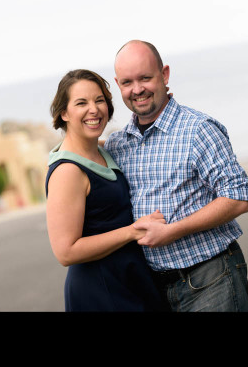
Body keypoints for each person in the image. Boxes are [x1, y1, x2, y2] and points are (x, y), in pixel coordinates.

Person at [104, 40, 248, 312]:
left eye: (145, 78)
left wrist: (172, 231)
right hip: (151, 289)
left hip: (210, 279)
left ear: (164, 75)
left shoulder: (199, 129)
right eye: (127, 82)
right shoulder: (118, 144)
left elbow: (238, 198)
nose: (137, 90)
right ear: (118, 85)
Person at [45, 69, 170, 311]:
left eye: (99, 100)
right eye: (81, 103)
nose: (94, 109)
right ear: (64, 113)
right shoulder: (67, 171)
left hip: (130, 281)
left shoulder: (102, 149)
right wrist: (132, 232)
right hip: (100, 292)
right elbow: (66, 252)